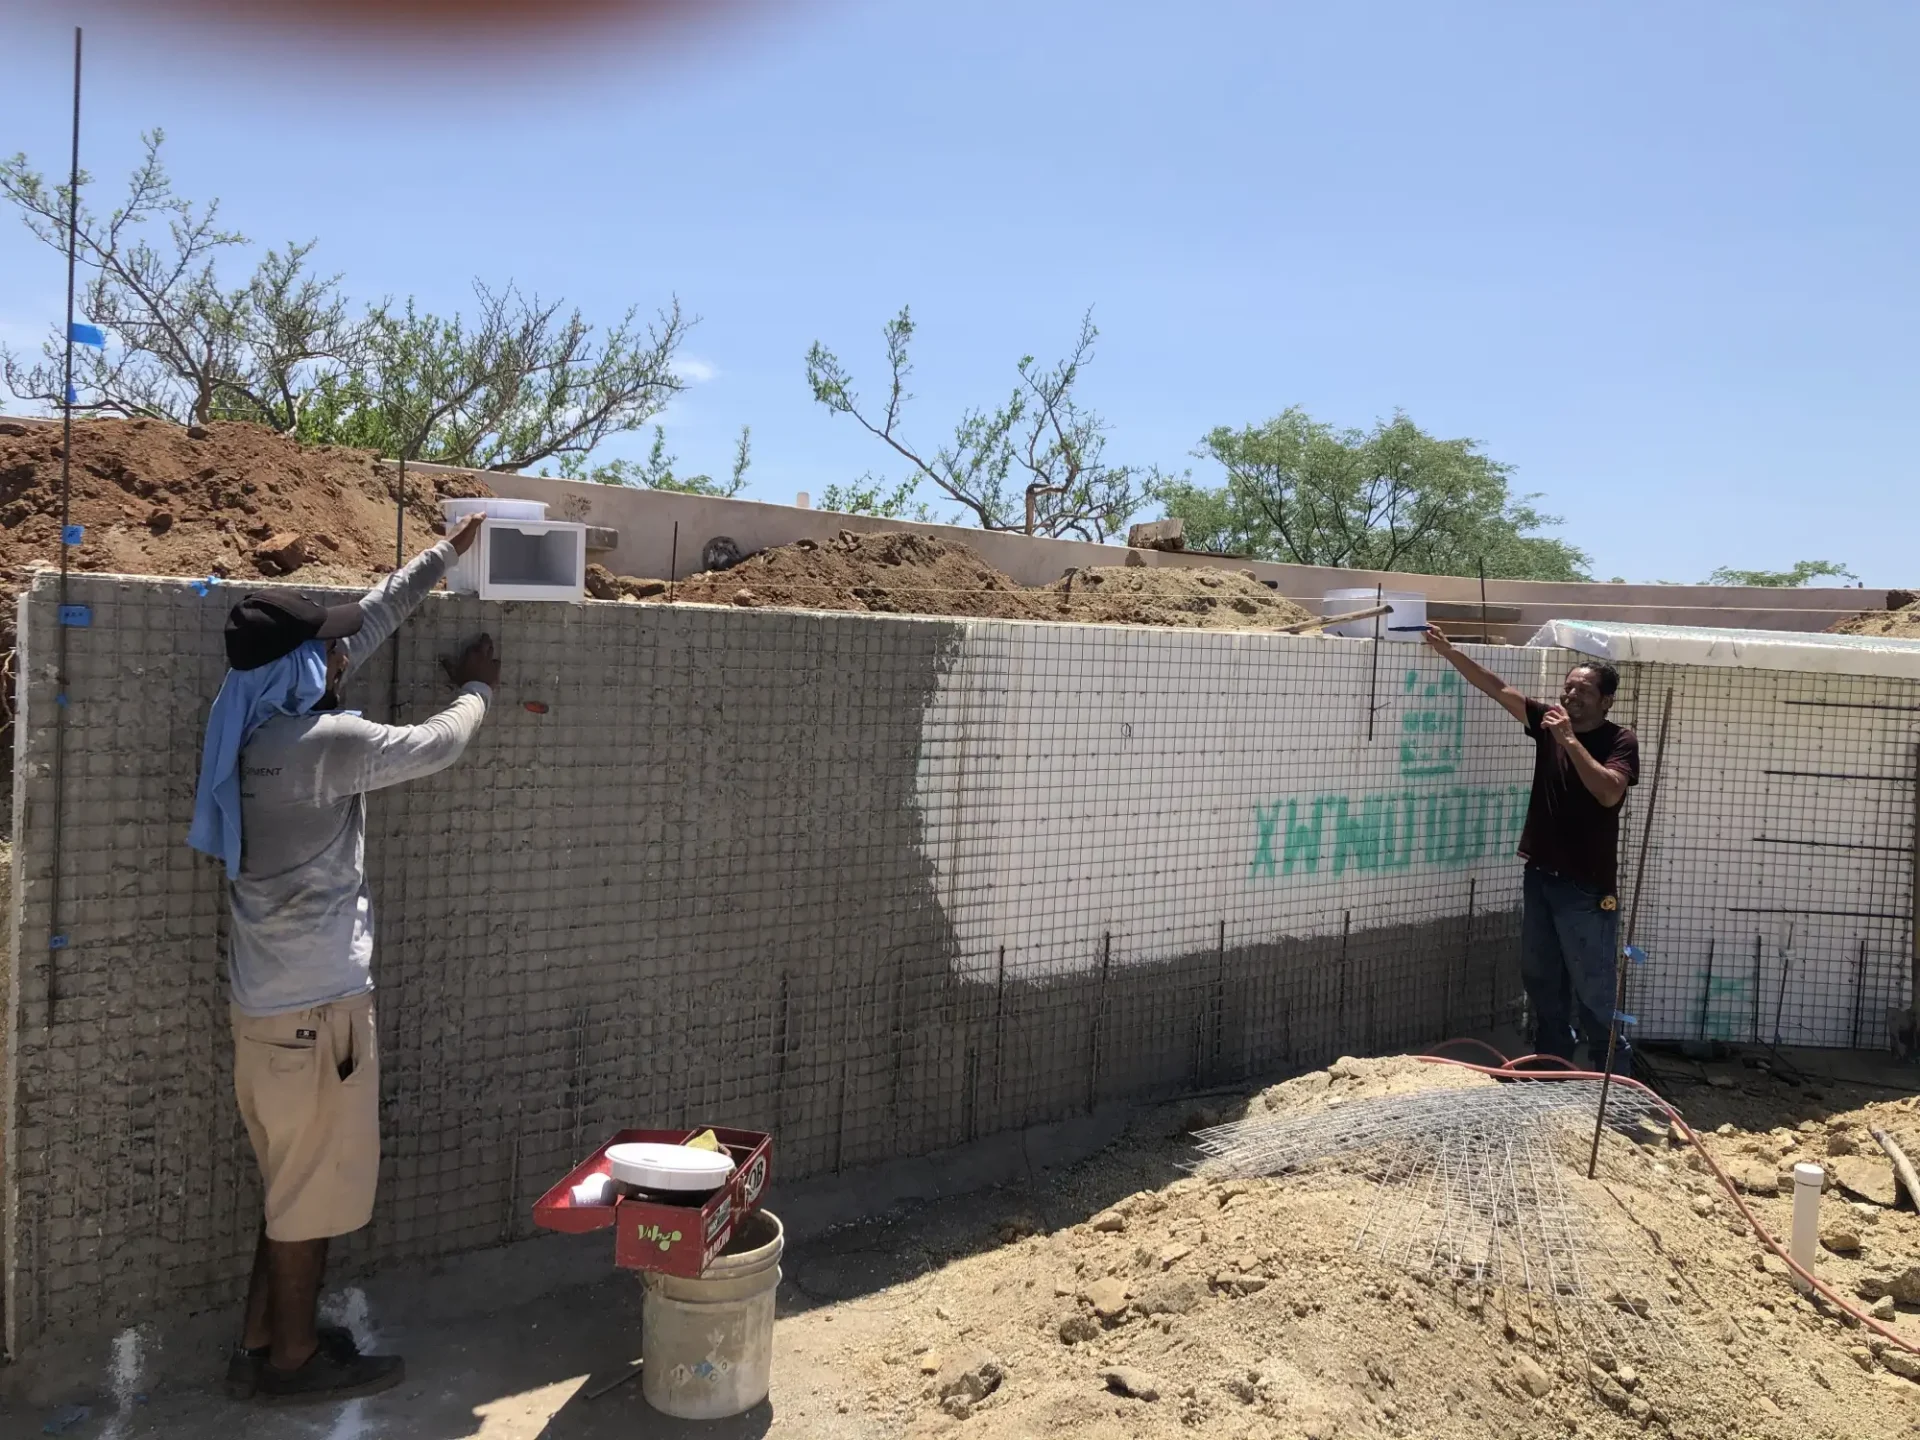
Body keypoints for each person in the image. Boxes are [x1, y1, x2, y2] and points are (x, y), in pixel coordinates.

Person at [189, 515, 498, 1405]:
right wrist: (477, 689)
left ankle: (262, 1336)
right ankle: (292, 1363)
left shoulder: (253, 724)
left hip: (266, 1016)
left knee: (293, 1184)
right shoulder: (319, 747)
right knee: (314, 1195)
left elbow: (368, 619)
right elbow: (438, 745)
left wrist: (447, 554)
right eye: (321, 654)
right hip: (320, 1015)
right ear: (296, 669)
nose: (338, 659)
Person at [1422, 627, 1641, 1073]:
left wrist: (1570, 741)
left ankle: (1612, 1078)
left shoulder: (1620, 740)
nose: (1571, 694)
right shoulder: (1547, 724)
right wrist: (1450, 652)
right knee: (1541, 976)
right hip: (1541, 875)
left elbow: (1608, 793)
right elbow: (1498, 687)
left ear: (1606, 701)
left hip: (1586, 887)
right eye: (1568, 686)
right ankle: (1552, 1065)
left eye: (1583, 689)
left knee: (1593, 984)